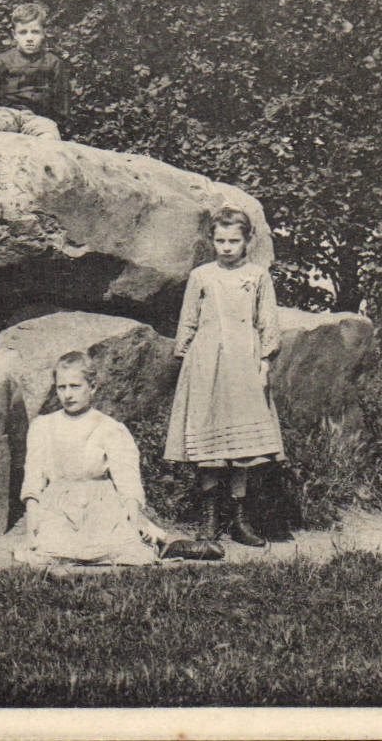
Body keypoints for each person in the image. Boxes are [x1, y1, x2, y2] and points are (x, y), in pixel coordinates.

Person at [164, 207, 288, 547]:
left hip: (244, 365)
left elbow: (268, 323)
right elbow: (188, 321)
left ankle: (239, 518)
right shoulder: (202, 276)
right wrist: (186, 358)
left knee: (243, 447)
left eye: (234, 240)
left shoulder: (258, 276)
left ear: (247, 241)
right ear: (212, 241)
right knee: (210, 443)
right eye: (220, 240)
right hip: (206, 364)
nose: (227, 247)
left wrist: (264, 363)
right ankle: (208, 518)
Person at [15, 351, 168, 566]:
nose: (68, 395)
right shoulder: (43, 426)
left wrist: (133, 523)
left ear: (93, 387)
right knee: (48, 553)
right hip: (59, 506)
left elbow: (127, 481)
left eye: (75, 386)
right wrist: (32, 530)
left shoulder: (109, 428)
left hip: (100, 506)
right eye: (62, 387)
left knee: (128, 552)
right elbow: (33, 481)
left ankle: (147, 538)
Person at [0, 1, 71, 140]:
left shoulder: (53, 63)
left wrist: (55, 124)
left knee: (49, 138)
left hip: (37, 118)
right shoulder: (0, 62)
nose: (29, 38)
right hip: (6, 114)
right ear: (14, 34)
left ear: (44, 33)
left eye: (35, 32)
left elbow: (60, 102)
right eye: (23, 32)